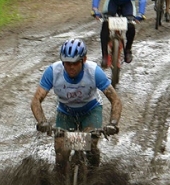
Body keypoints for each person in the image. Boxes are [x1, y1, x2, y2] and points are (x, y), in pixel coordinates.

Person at [31, 39, 122, 171]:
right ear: (62, 62)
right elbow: (36, 100)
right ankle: (60, 182)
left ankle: (94, 177)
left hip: (91, 110)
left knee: (90, 146)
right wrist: (42, 122)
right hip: (66, 112)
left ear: (83, 60)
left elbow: (115, 100)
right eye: (67, 63)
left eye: (75, 63)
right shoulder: (52, 72)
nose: (71, 67)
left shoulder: (94, 72)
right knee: (61, 151)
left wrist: (113, 123)